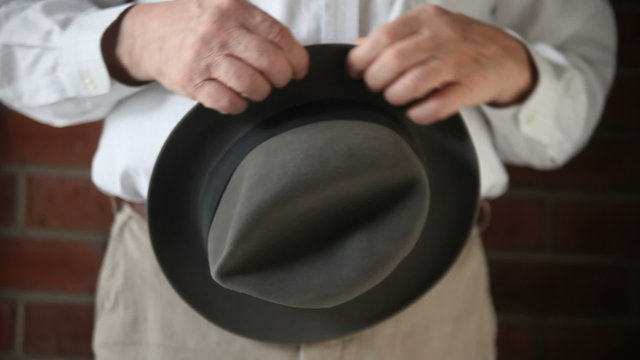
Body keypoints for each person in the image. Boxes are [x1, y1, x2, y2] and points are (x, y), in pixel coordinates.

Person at [0, 0, 616, 359]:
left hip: (427, 301)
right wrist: (128, 37)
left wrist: (518, 70)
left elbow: (575, 96)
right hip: (174, 305)